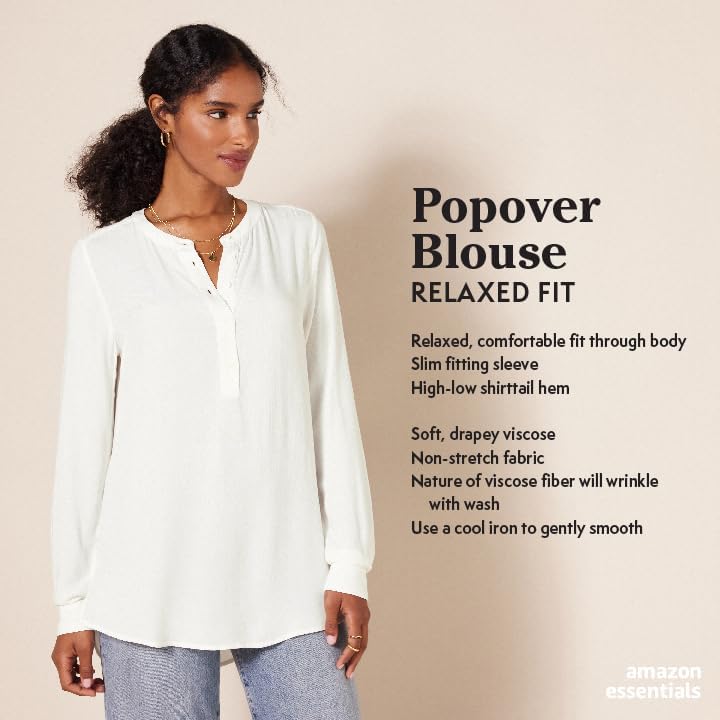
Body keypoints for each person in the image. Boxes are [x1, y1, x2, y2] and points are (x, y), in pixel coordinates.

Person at [49, 23, 375, 720]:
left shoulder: (296, 238)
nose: (243, 135)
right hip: (147, 585)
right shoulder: (106, 261)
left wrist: (349, 563)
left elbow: (330, 407)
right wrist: (73, 603)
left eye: (253, 113)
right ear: (163, 114)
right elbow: (84, 440)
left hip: (287, 573)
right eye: (219, 113)